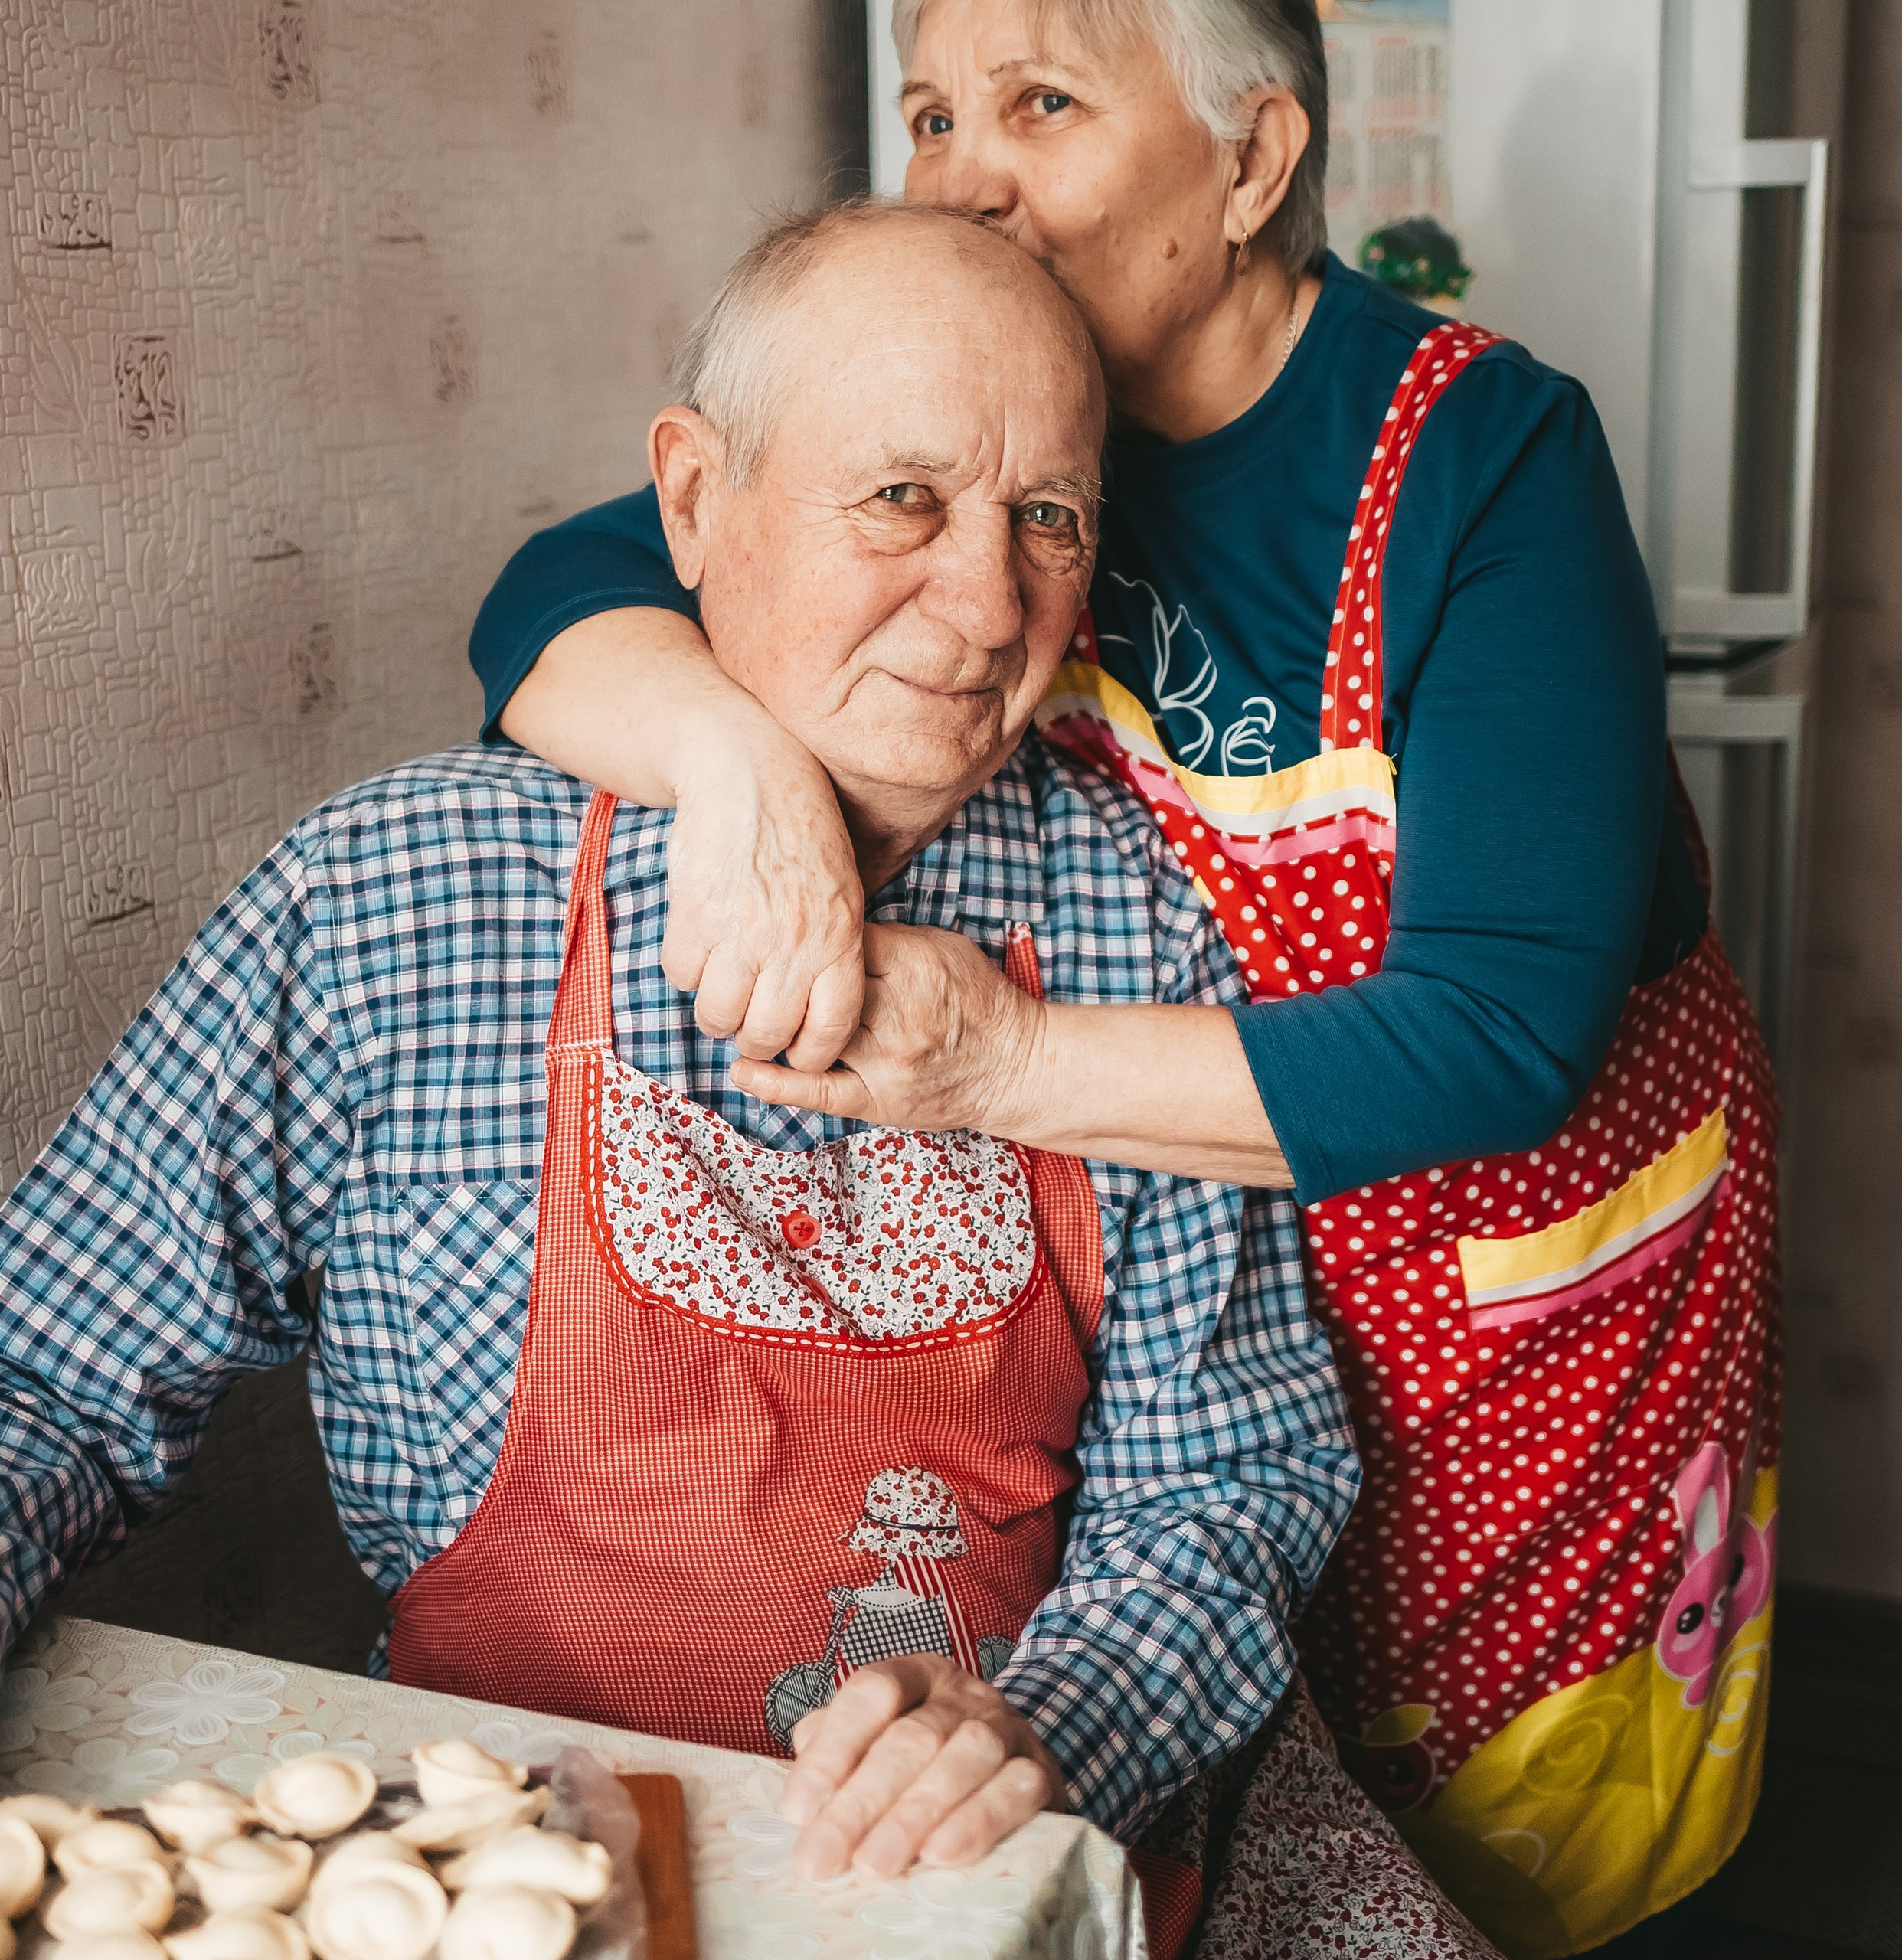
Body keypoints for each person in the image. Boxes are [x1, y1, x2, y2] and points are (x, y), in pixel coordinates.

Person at [0, 204, 1501, 1960]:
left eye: (1044, 518)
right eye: (901, 498)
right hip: (527, 1860)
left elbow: (1226, 1472)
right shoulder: (399, 898)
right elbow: (29, 1368)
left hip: (977, 1868)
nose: (989, 605)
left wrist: (1050, 1722)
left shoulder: (1140, 913)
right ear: (690, 500)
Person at [463, 5, 1783, 1957]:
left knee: (1525, 1874)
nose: (958, 174)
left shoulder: (1476, 456)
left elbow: (1498, 1033)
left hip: (1505, 1350)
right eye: (927, 112)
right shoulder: (1009, 425)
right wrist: (731, 763)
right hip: (1191, 1355)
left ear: (1249, 167)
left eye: (1041, 106)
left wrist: (993, 1059)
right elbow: (555, 598)